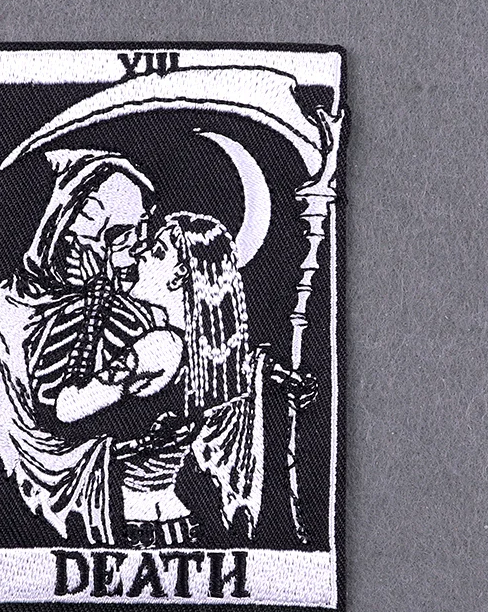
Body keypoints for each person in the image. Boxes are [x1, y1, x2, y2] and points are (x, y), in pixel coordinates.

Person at [55, 212, 317, 548]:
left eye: (157, 251)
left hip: (139, 532)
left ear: (180, 274)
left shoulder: (160, 346)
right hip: (177, 526)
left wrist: (95, 306)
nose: (140, 254)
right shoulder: (216, 357)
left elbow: (67, 407)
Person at [0, 149, 161, 545]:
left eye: (137, 234)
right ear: (60, 229)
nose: (134, 252)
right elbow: (59, 404)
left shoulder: (135, 318)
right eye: (118, 236)